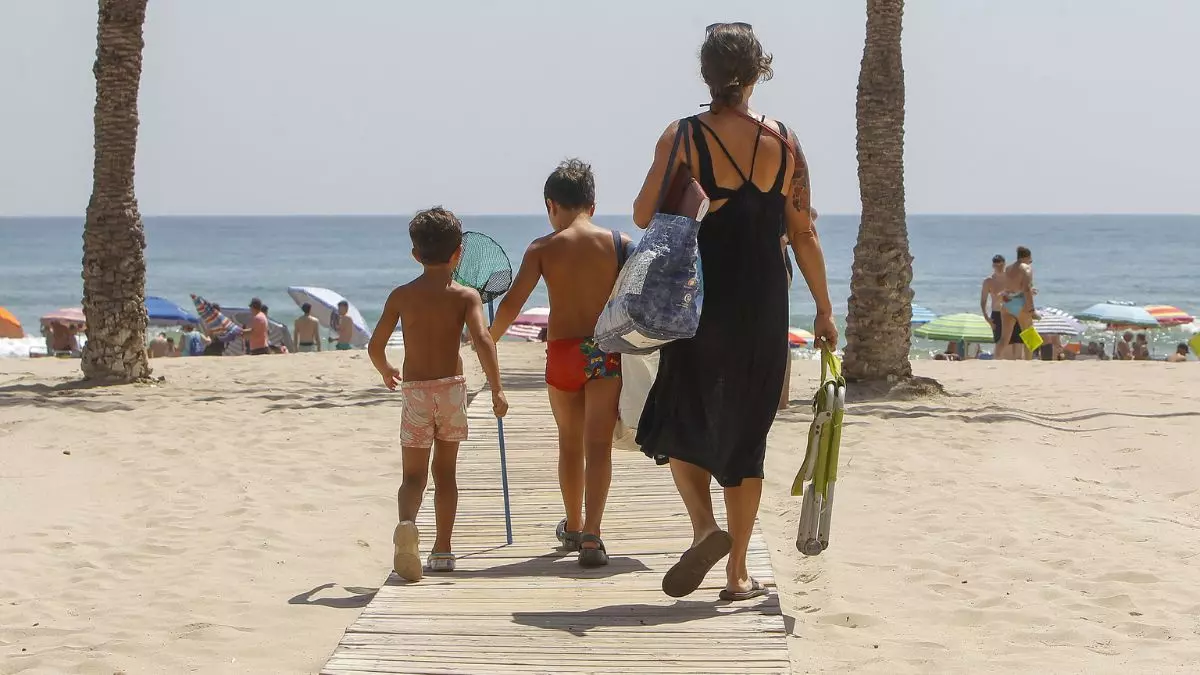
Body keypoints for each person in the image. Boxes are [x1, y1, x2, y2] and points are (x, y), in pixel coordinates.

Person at [630, 23, 837, 602]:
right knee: (748, 432)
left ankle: (704, 527)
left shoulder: (683, 137)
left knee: (678, 419)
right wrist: (823, 308)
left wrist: (700, 196)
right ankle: (738, 573)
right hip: (765, 304)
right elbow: (804, 231)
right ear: (758, 71)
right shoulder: (786, 141)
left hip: (699, 301)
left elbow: (646, 212)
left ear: (706, 75)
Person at [489, 159, 630, 568]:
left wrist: (488, 341)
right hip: (603, 350)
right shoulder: (618, 242)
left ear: (552, 205)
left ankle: (572, 522)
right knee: (598, 444)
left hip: (563, 353)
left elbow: (513, 304)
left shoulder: (543, 248)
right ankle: (593, 536)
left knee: (569, 442)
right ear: (593, 203)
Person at [368, 207, 508, 581]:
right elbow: (482, 339)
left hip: (415, 391)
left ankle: (406, 526)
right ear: (458, 252)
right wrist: (496, 388)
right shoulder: (466, 296)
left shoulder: (401, 295)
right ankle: (443, 550)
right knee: (445, 473)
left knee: (412, 477)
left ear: (415, 254)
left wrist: (386, 370)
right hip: (450, 391)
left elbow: (375, 345)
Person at [995, 246, 1038, 361]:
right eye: (1030, 260)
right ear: (1027, 257)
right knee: (1029, 334)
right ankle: (1029, 361)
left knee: (1004, 338)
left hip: (1008, 302)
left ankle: (996, 358)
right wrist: (1032, 310)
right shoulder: (1027, 268)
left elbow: (1010, 287)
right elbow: (1026, 289)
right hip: (1021, 303)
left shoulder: (1008, 268)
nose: (1031, 262)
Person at [981, 254, 1021, 359]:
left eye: (1000, 266)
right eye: (996, 266)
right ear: (993, 266)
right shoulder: (988, 281)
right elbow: (983, 301)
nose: (998, 268)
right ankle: (1000, 365)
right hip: (997, 314)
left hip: (1012, 312)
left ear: (1004, 265)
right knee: (1002, 345)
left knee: (1017, 345)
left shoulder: (1010, 278)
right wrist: (987, 318)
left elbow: (1019, 292)